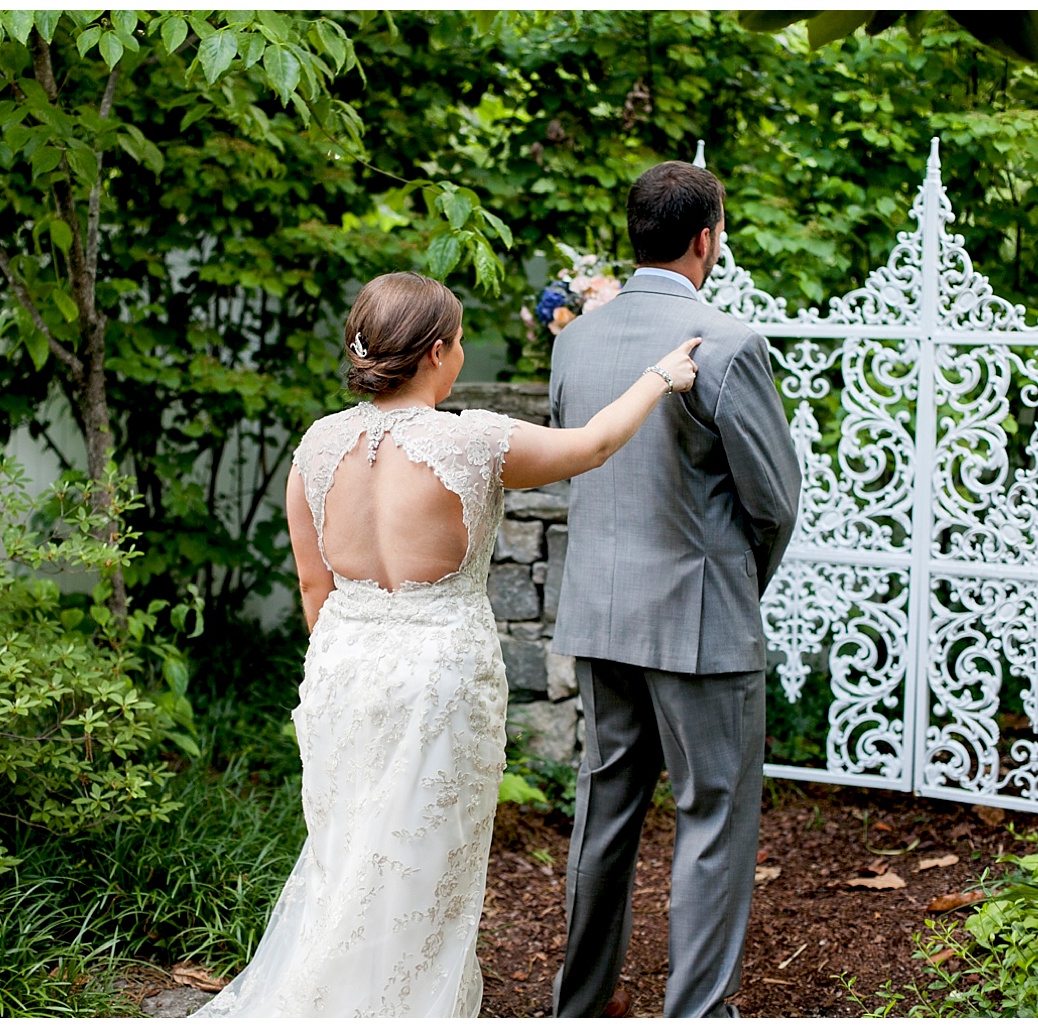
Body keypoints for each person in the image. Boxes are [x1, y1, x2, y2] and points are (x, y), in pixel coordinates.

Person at [192, 270, 702, 1018]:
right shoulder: (474, 441)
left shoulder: (318, 444)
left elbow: (313, 586)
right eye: (459, 341)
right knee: (418, 866)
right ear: (437, 353)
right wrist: (661, 375)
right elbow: (592, 446)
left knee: (348, 853)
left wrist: (348, 662)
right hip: (437, 675)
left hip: (342, 668)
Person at [548, 161, 801, 1018]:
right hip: (699, 619)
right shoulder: (727, 342)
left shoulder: (575, 339)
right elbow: (773, 500)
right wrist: (739, 588)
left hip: (598, 613)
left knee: (605, 810)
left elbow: (575, 460)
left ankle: (575, 1007)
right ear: (706, 239)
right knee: (712, 818)